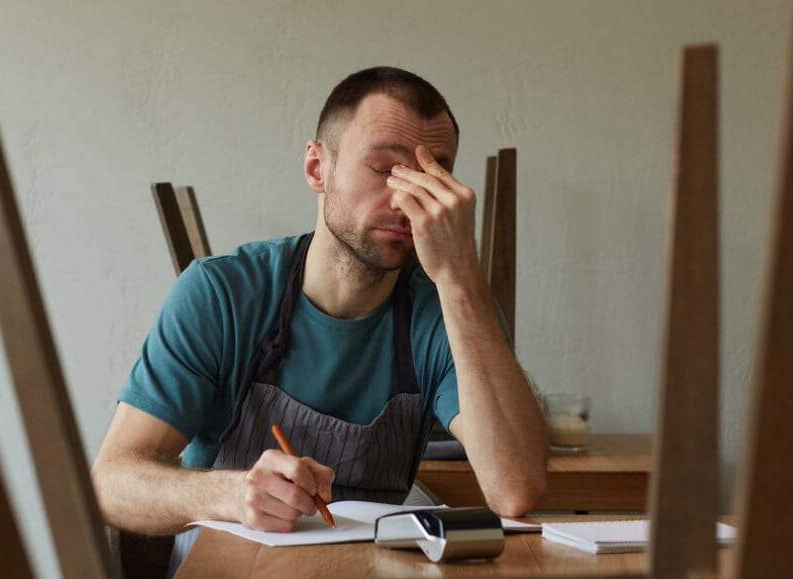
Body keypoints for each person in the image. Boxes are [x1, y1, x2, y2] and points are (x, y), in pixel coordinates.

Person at [91, 66, 547, 568]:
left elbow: (514, 490)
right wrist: (234, 493)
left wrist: (461, 278)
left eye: (433, 174)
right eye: (385, 169)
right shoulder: (221, 293)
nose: (408, 200)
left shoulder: (449, 305)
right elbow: (112, 482)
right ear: (317, 169)